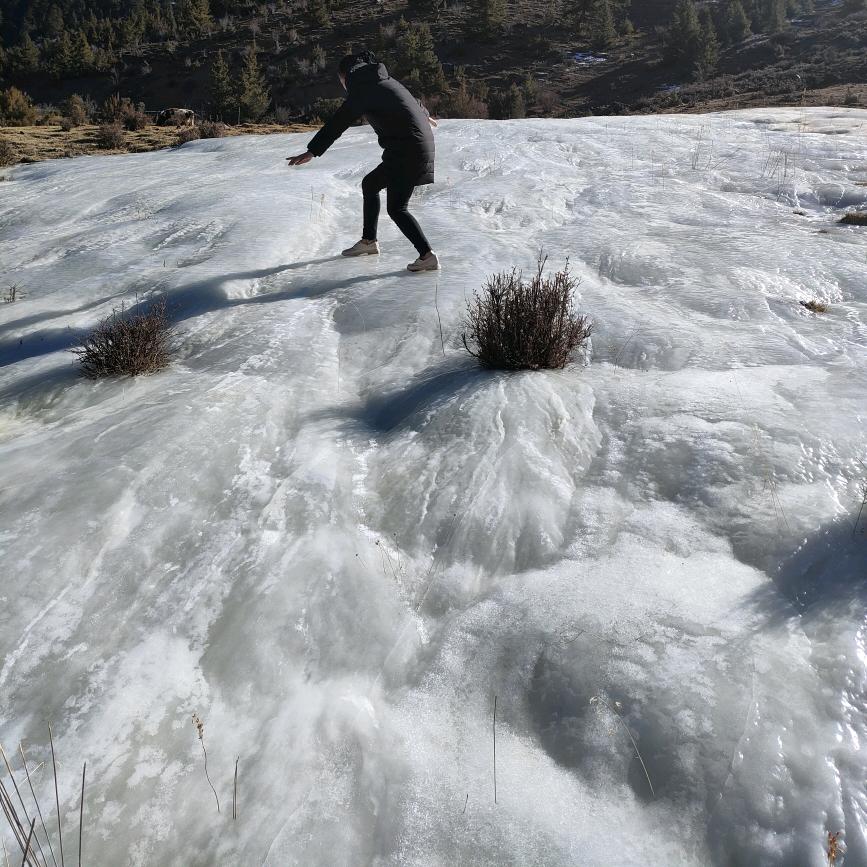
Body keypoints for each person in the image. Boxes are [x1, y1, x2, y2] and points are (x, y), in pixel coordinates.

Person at [287, 51, 440, 273]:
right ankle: (369, 242)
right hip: (410, 147)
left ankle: (427, 255)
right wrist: (424, 113)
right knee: (370, 184)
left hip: (408, 150)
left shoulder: (363, 88)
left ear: (345, 76)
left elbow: (339, 121)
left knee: (397, 208)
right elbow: (410, 99)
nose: (343, 86)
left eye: (341, 81)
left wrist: (312, 151)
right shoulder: (383, 80)